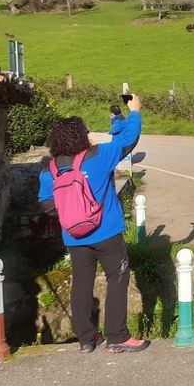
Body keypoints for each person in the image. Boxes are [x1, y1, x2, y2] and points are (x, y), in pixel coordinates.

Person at [38, 95, 149, 354]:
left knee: (81, 284)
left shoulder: (50, 170)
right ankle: (117, 336)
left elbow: (46, 204)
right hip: (106, 232)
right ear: (81, 136)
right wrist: (134, 112)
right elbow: (128, 141)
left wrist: (73, 214)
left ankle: (87, 339)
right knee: (117, 278)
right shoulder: (100, 156)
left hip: (74, 237)